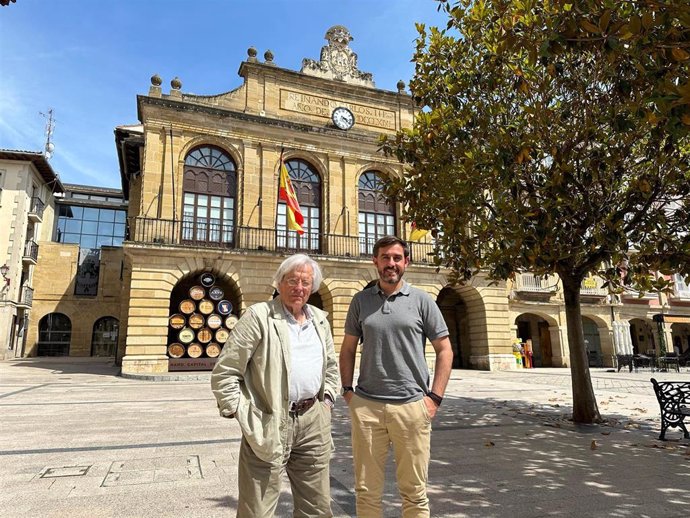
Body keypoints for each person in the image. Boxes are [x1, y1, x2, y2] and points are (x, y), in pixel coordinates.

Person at [211, 254, 340, 518]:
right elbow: (225, 371)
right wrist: (243, 412)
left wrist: (326, 402)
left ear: (312, 287)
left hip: (313, 419)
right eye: (292, 280)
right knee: (257, 509)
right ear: (279, 283)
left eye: (305, 282)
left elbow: (331, 366)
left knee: (316, 507)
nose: (299, 288)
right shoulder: (259, 316)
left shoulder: (320, 320)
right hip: (269, 420)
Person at [339, 235, 453, 518]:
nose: (391, 263)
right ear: (375, 261)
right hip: (367, 407)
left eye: (397, 258)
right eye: (386, 257)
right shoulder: (361, 301)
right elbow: (348, 348)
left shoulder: (422, 301)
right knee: (366, 491)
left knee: (414, 491)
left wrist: (434, 399)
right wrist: (347, 391)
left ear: (406, 262)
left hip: (412, 407)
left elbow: (445, 350)